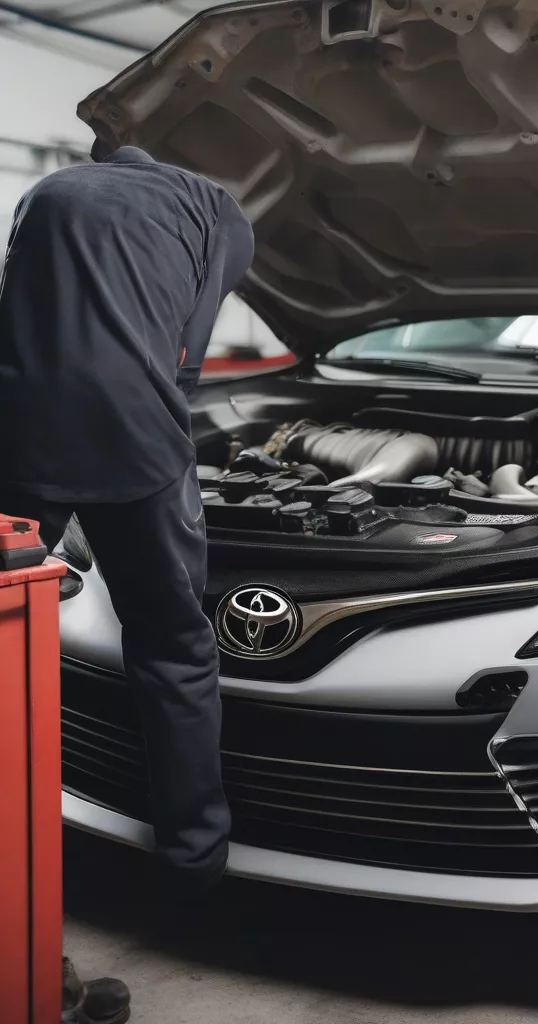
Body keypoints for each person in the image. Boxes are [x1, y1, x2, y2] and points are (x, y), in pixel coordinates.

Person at [0, 141, 254, 1017]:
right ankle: (194, 874)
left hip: (17, 428)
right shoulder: (214, 207)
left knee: (6, 637)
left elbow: (21, 313)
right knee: (175, 647)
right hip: (136, 439)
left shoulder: (48, 191)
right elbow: (188, 358)